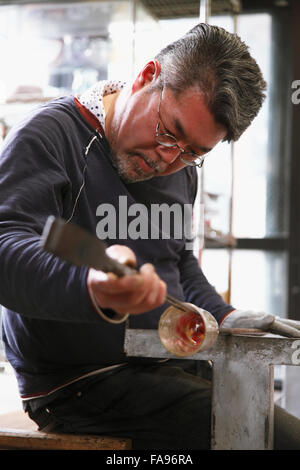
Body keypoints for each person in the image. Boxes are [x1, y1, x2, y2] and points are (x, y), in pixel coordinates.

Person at [0, 23, 299, 450]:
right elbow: (5, 245)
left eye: (195, 151)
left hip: (167, 362)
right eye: (170, 131)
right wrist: (92, 287)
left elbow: (177, 263)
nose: (168, 159)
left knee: (280, 428)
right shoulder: (53, 138)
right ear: (146, 77)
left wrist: (224, 315)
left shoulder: (181, 168)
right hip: (82, 382)